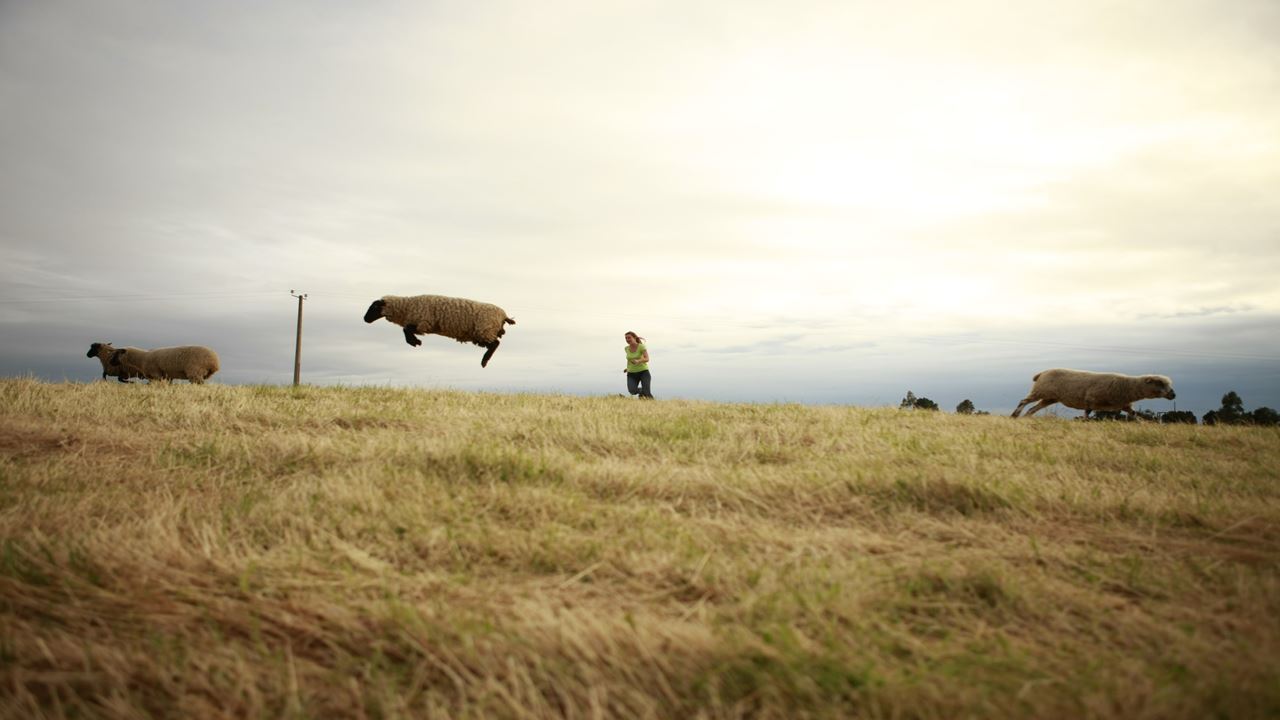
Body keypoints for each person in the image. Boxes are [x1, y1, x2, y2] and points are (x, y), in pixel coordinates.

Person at [623, 331, 654, 399]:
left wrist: (638, 361)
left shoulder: (641, 347)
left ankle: (646, 394)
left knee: (647, 393)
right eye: (626, 338)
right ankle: (644, 391)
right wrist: (627, 368)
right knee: (632, 391)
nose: (627, 339)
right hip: (631, 373)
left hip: (643, 372)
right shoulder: (626, 348)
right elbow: (629, 359)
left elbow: (647, 358)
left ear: (634, 337)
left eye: (629, 338)